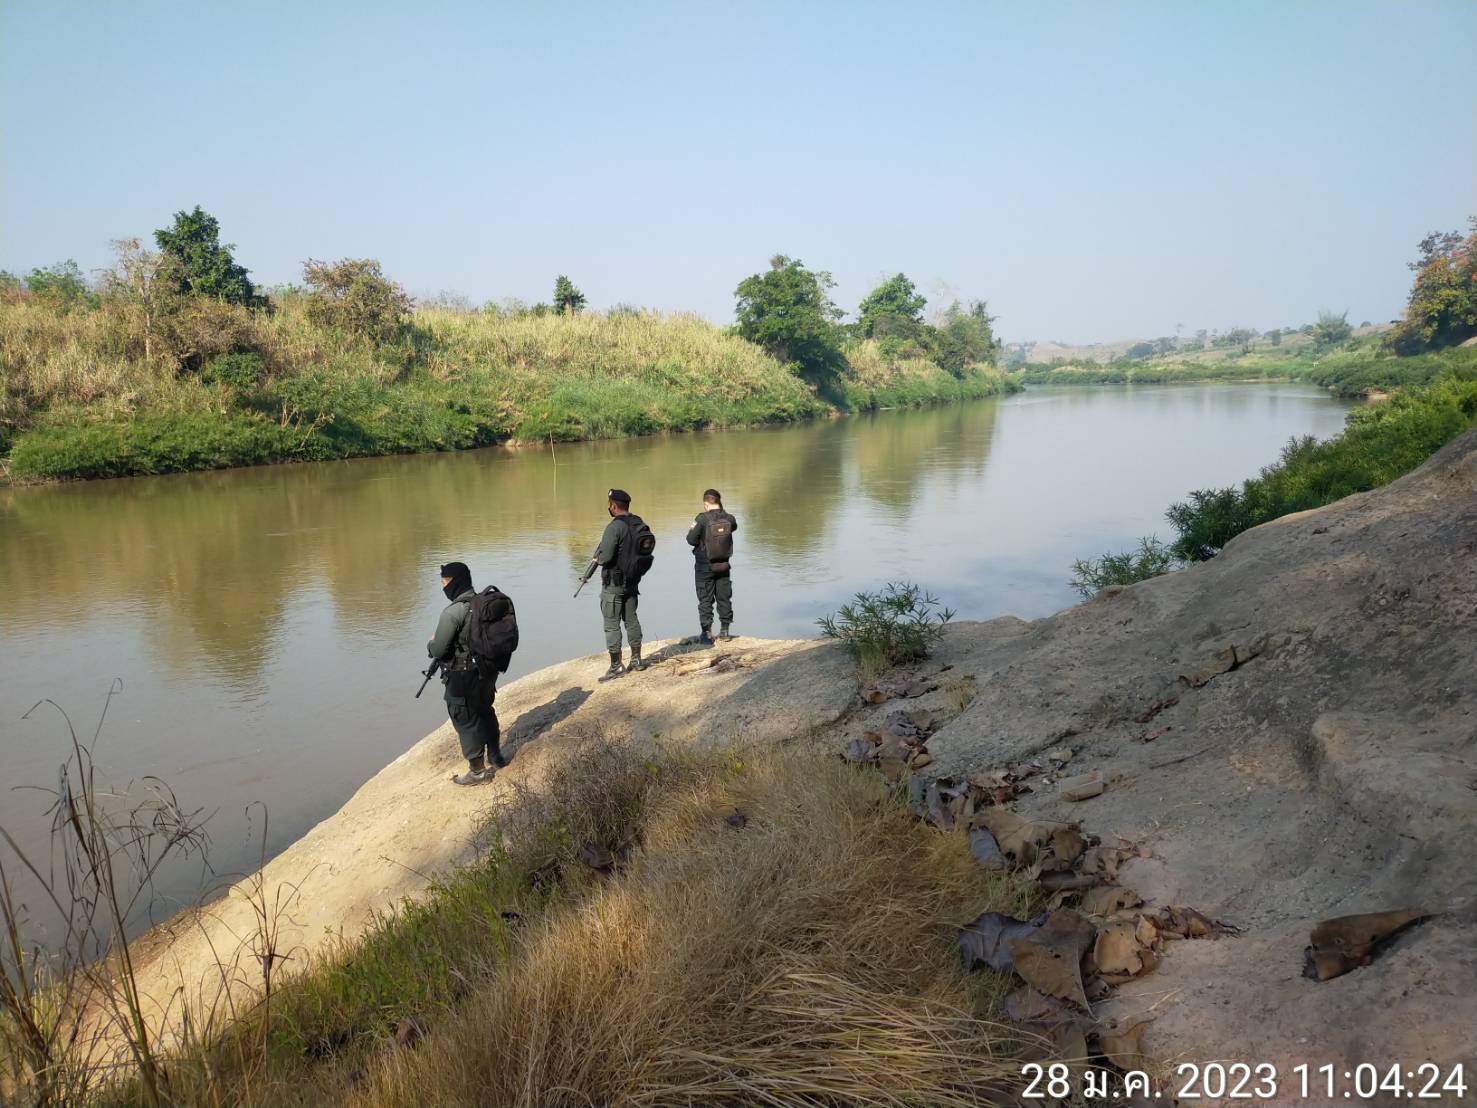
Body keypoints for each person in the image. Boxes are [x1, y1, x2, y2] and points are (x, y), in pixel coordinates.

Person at [427, 561, 504, 785]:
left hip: (463, 675)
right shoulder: (485, 603)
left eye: (444, 582)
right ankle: (496, 756)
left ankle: (477, 772)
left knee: (464, 719)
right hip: (488, 671)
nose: (442, 587)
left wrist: (431, 643)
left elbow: (438, 649)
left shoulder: (453, 612)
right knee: (485, 710)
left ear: (454, 582)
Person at [592, 488, 645, 681]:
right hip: (632, 581)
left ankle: (616, 666)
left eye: (609, 505)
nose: (609, 507)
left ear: (613, 506)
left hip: (614, 583)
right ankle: (637, 660)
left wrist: (597, 558)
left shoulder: (614, 527)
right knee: (631, 620)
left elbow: (605, 556)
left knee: (611, 624)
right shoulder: (638, 522)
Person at [686, 488, 738, 644]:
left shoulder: (701, 519)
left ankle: (707, 634)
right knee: (724, 597)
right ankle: (725, 631)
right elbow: (733, 527)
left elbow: (691, 540)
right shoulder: (729, 518)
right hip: (723, 564)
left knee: (705, 599)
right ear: (719, 502)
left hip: (705, 566)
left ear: (705, 504)